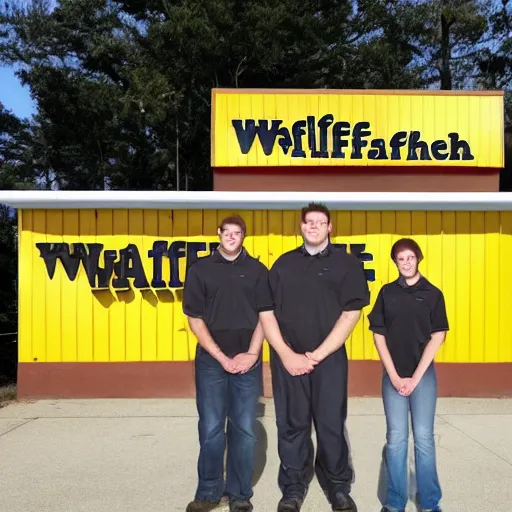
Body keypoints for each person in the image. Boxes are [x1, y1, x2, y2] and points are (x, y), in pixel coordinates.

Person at [259, 202, 370, 512]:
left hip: (329, 359)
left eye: (320, 222)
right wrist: (287, 354)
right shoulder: (282, 265)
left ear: (329, 227)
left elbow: (352, 313)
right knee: (292, 424)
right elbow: (266, 312)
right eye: (309, 222)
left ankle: (338, 486)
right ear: (301, 226)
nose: (313, 226)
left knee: (331, 423)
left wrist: (318, 354)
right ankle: (293, 486)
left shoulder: (347, 264)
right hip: (288, 359)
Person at [182, 214, 274, 512]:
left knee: (244, 429)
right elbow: (194, 319)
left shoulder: (258, 270)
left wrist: (252, 353)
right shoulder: (200, 270)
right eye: (227, 232)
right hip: (211, 361)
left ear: (243, 236)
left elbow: (266, 315)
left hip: (248, 360)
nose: (232, 237)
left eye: (237, 233)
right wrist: (221, 356)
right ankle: (208, 492)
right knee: (210, 428)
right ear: (218, 234)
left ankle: (240, 495)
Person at [367, 238, 449, 512]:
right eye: (400, 258)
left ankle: (429, 502)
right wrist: (394, 375)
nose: (405, 262)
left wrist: (415, 378)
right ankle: (394, 503)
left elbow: (439, 335)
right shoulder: (387, 293)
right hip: (393, 375)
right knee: (397, 439)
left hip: (422, 376)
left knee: (424, 438)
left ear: (418, 258)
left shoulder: (433, 294)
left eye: (410, 257)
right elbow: (378, 334)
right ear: (395, 262)